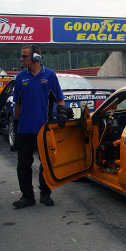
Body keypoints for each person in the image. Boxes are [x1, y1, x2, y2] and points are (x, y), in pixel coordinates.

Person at [12, 44, 68, 209]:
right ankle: (27, 196)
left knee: (46, 163)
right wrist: (16, 124)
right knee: (23, 164)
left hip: (43, 130)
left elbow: (60, 98)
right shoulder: (20, 77)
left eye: (24, 56)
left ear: (36, 57)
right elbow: (17, 105)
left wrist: (62, 112)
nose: (21, 59)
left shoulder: (49, 75)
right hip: (24, 129)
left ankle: (45, 193)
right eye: (21, 56)